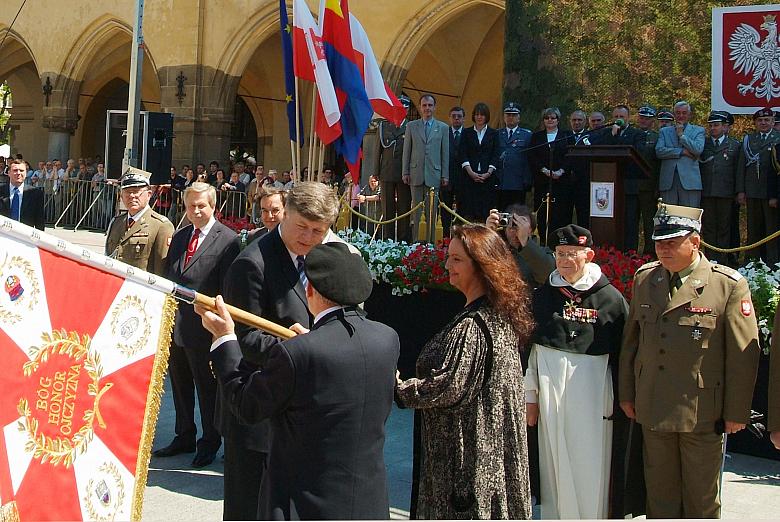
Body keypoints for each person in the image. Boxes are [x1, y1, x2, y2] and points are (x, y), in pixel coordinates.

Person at [197, 241, 399, 519]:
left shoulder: (298, 353)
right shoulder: (387, 339)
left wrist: (224, 340)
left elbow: (246, 404)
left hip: (304, 504)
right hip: (367, 503)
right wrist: (310, 345)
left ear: (310, 290)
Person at [619, 203, 760, 519]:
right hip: (653, 406)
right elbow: (631, 343)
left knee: (701, 502)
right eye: (658, 242)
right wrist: (628, 394)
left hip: (701, 414)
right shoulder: (646, 279)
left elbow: (743, 356)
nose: (663, 249)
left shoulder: (727, 285)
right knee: (660, 498)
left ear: (695, 242)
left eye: (672, 242)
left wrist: (736, 412)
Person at [216, 181, 347, 520]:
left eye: (318, 231)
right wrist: (302, 349)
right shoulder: (252, 264)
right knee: (249, 509)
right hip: (257, 414)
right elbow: (245, 339)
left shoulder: (320, 257)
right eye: (302, 227)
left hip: (299, 413)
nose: (309, 237)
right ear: (285, 213)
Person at [396, 224, 533, 519]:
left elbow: (447, 387)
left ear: (482, 265)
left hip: (467, 467)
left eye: (457, 259)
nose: (447, 265)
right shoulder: (497, 314)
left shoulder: (474, 326)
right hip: (489, 459)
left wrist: (398, 388)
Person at [525, 224, 629, 519]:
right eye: (560, 253)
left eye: (573, 253)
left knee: (590, 467)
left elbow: (625, 355)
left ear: (589, 255)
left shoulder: (611, 300)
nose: (566, 260)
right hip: (549, 396)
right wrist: (529, 397)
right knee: (553, 465)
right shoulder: (543, 296)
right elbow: (529, 350)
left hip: (594, 399)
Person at [156, 182, 240, 468]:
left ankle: (210, 440)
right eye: (191, 206)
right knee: (179, 385)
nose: (196, 211)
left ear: (213, 206)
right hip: (176, 325)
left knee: (207, 388)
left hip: (205, 328)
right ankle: (184, 434)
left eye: (201, 206)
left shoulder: (228, 239)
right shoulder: (180, 237)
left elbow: (229, 288)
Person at [104, 169, 174, 275]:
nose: (132, 196)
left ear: (149, 194)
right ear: (121, 196)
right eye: (127, 192)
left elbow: (161, 270)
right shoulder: (115, 222)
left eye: (137, 192)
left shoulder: (161, 226)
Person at [402, 93, 450, 242]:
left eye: (430, 105)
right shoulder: (411, 126)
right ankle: (417, 242)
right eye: (424, 105)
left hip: (434, 175)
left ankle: (430, 242)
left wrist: (445, 175)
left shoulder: (443, 128)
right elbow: (407, 151)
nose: (427, 108)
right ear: (420, 107)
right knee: (416, 212)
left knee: (431, 211)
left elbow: (445, 153)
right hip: (415, 174)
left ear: (434, 107)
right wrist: (405, 171)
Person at [736, 107, 780, 265]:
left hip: (771, 192)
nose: (763, 123)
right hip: (752, 190)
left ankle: (773, 264)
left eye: (767, 120)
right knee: (753, 230)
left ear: (773, 122)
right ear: (755, 122)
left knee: (772, 230)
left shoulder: (778, 138)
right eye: (760, 120)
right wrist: (740, 190)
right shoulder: (749, 139)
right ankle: (752, 264)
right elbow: (741, 166)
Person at [528, 107, 574, 245]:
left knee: (561, 213)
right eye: (547, 118)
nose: (550, 120)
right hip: (543, 181)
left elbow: (571, 156)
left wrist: (561, 171)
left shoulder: (566, 135)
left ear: (558, 120)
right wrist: (544, 170)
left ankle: (560, 242)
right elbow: (532, 156)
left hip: (561, 181)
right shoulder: (537, 137)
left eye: (553, 118)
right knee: (542, 214)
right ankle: (543, 241)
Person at [602, 105, 646, 250]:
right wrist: (613, 136)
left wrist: (617, 138)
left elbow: (636, 153)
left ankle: (629, 254)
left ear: (628, 118)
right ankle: (609, 253)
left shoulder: (637, 134)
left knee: (630, 221)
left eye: (622, 117)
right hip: (608, 187)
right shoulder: (606, 134)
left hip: (629, 185)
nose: (619, 119)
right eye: (616, 117)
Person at [700, 111, 741, 265]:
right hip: (707, 191)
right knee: (708, 227)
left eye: (716, 125)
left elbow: (738, 170)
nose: (712, 128)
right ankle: (709, 260)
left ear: (725, 127)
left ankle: (723, 261)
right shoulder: (704, 143)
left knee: (725, 227)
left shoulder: (735, 145)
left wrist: (739, 191)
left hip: (726, 192)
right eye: (710, 125)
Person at [485, 206, 554, 289]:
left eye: (522, 227)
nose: (517, 232)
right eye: (512, 227)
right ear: (505, 229)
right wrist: (487, 236)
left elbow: (548, 275)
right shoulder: (498, 252)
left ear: (531, 230)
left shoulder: (543, 253)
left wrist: (525, 242)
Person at [656, 100, 706, 207]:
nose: (681, 116)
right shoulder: (664, 131)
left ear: (689, 115)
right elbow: (659, 151)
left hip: (690, 182)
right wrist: (681, 152)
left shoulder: (698, 131)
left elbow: (697, 149)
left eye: (684, 113)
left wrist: (682, 136)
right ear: (674, 114)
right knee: (669, 217)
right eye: (678, 113)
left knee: (688, 218)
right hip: (669, 181)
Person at [376, 94, 412, 241]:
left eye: (404, 108)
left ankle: (403, 240)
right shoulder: (384, 126)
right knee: (387, 209)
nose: (401, 111)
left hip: (405, 174)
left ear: (408, 110)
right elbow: (377, 150)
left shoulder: (411, 126)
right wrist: (375, 172)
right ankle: (387, 240)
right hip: (386, 172)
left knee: (404, 209)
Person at [457, 102, 500, 223]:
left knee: (485, 210)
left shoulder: (494, 133)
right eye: (477, 114)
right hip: (469, 177)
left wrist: (488, 172)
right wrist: (470, 172)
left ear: (486, 116)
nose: (479, 117)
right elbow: (462, 153)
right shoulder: (466, 132)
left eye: (482, 114)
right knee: (469, 210)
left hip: (487, 178)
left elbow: (495, 154)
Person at [496, 102, 532, 210]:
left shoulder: (527, 135)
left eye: (514, 115)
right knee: (500, 214)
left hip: (518, 182)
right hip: (500, 181)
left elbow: (528, 160)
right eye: (508, 115)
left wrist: (527, 180)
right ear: (504, 117)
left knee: (517, 213)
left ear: (519, 118)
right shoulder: (496, 134)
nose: (511, 117)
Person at [636, 105, 660, 255]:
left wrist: (657, 186)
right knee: (630, 221)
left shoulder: (656, 137)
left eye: (647, 118)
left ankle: (649, 253)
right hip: (630, 185)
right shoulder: (632, 134)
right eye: (641, 117)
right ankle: (630, 252)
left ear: (652, 120)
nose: (643, 121)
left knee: (649, 221)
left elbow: (659, 164)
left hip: (649, 185)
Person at [0, 159, 45, 230]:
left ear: (26, 173)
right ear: (8, 173)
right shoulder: (1, 191)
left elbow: (39, 220)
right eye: (15, 170)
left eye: (21, 170)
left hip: (24, 236)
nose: (18, 173)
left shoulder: (36, 194)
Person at [444, 106, 465, 237]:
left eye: (459, 116)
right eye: (454, 116)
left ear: (464, 118)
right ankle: (445, 237)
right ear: (450, 118)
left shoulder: (468, 133)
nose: (456, 119)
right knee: (445, 210)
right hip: (446, 177)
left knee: (462, 210)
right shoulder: (444, 132)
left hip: (464, 178)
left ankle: (460, 236)